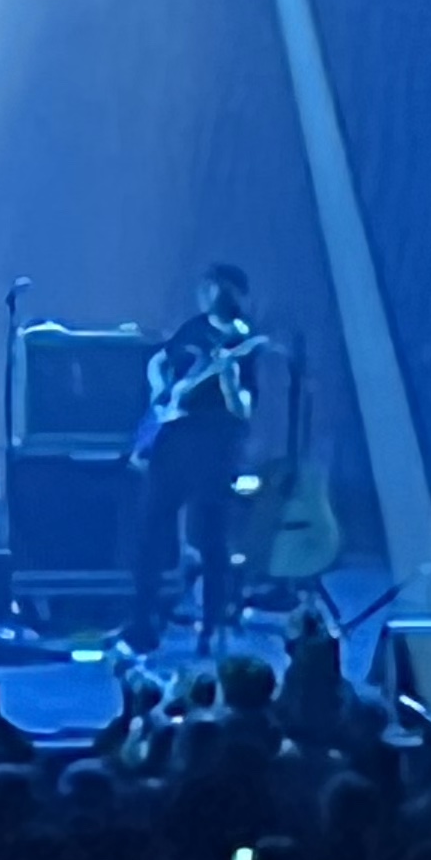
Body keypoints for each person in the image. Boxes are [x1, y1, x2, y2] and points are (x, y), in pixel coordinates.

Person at [131, 262, 259, 651]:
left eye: (215, 288)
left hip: (214, 445)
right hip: (173, 441)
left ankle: (210, 625)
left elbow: (243, 409)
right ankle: (143, 621)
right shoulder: (193, 327)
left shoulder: (241, 340)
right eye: (205, 287)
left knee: (209, 536)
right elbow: (161, 361)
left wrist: (228, 381)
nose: (206, 294)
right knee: (150, 529)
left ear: (231, 293)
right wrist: (161, 387)